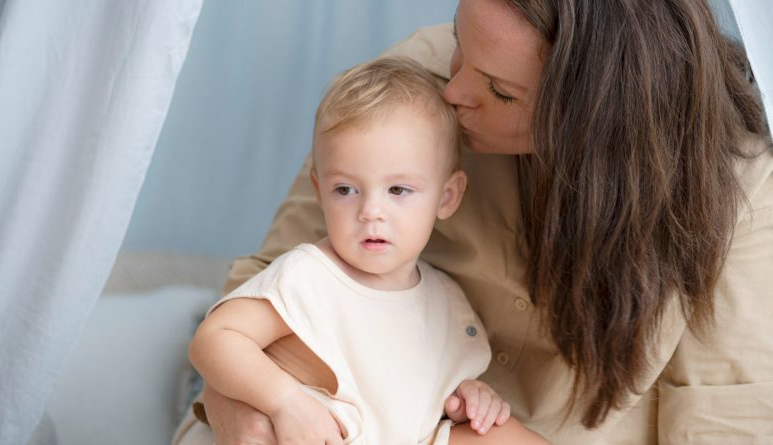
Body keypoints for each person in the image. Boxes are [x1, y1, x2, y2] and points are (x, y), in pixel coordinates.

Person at [174, 0, 773, 443]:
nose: (455, 92)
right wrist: (249, 410)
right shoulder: (411, 95)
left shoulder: (734, 184)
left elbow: (727, 414)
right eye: (462, 40)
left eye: (502, 94)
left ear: (592, 124)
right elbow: (262, 292)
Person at [186, 56, 548, 444]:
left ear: (446, 198)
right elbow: (215, 337)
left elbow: (422, 398)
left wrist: (467, 398)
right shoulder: (310, 275)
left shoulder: (446, 299)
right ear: (320, 192)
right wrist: (284, 402)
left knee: (503, 434)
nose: (371, 212)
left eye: (398, 190)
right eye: (346, 190)